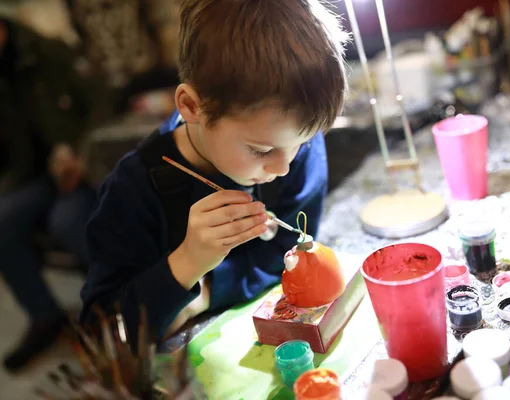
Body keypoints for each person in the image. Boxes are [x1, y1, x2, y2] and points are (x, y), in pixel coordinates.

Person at [80, 0, 349, 341]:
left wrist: (207, 292)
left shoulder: (294, 139)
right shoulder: (132, 190)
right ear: (193, 107)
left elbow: (284, 255)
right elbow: (101, 335)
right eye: (260, 150)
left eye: (302, 142)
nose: (283, 167)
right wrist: (188, 263)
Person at [0, 18, 96, 372]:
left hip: (81, 166)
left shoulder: (49, 52)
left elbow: (100, 103)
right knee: (3, 219)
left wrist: (77, 153)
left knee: (68, 220)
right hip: (33, 177)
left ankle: (116, 306)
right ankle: (45, 318)